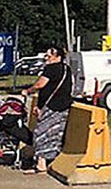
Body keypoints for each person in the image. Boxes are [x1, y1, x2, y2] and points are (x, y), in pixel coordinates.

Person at [19, 46, 73, 175]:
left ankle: (41, 164)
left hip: (52, 106)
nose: (46, 58)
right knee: (56, 134)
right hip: (64, 105)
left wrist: (27, 91)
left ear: (57, 57)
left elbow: (40, 85)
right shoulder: (67, 69)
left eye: (48, 56)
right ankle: (51, 160)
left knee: (41, 133)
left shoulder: (51, 68)